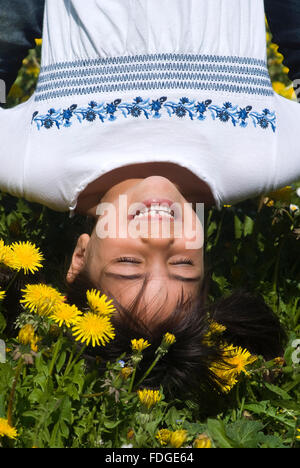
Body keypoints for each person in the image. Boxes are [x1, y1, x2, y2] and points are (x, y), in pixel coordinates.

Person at [0, 0, 294, 398]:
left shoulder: (29, 163)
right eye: (183, 265)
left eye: (128, 264)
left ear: (81, 257)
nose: (159, 237)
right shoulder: (267, 157)